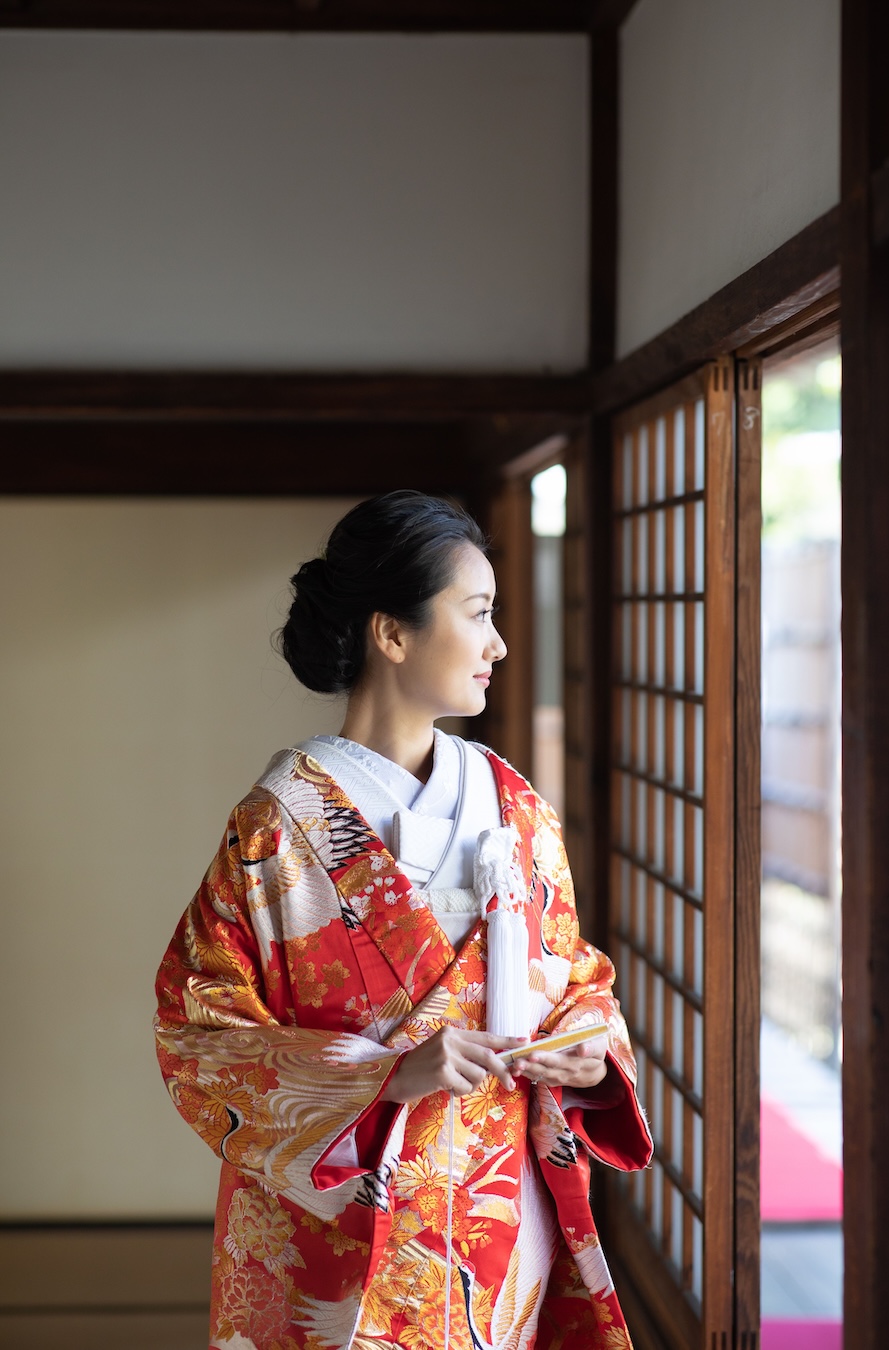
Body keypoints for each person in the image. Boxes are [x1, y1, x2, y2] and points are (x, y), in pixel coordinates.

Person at [155, 490, 652, 1350]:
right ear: (392, 633)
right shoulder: (279, 828)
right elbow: (201, 1031)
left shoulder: (515, 806)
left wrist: (586, 1045)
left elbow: (578, 977)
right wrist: (387, 1076)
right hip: (340, 1237)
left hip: (498, 1230)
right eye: (479, 613)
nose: (497, 644)